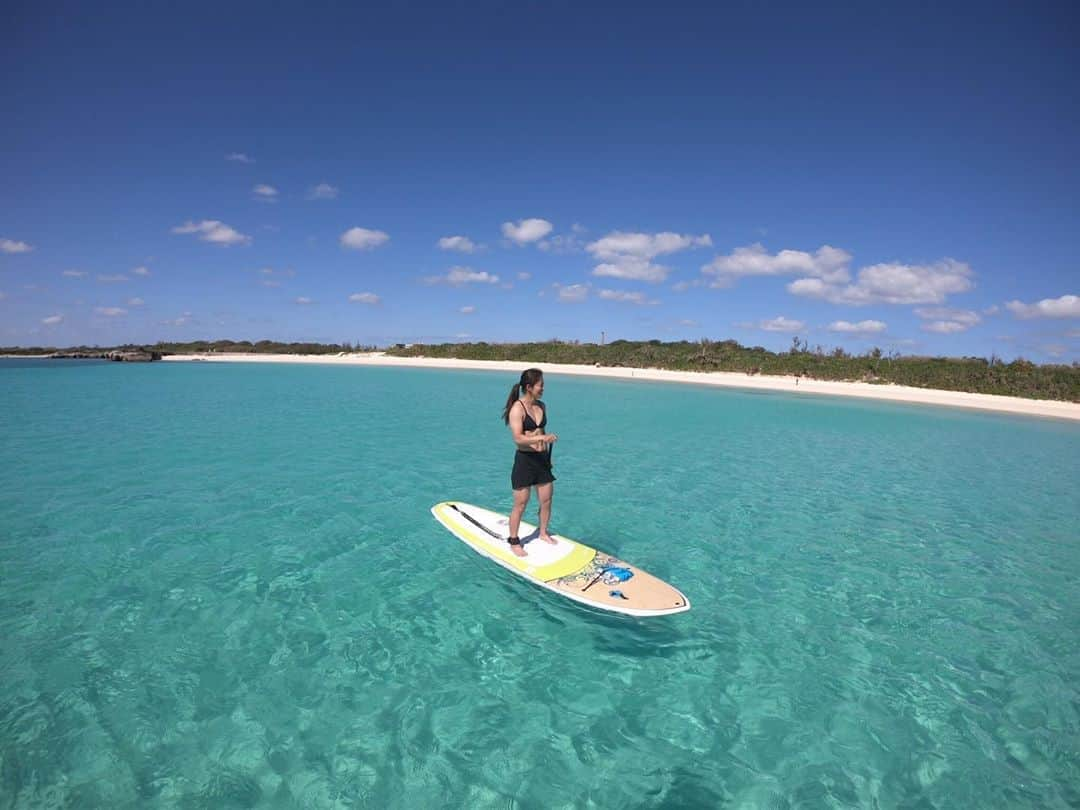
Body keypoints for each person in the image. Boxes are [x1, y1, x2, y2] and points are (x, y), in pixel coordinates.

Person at [501, 368, 558, 557]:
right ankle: (514, 540)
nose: (543, 388)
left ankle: (542, 533)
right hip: (524, 461)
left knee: (546, 500)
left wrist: (547, 452)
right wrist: (542, 439)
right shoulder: (517, 408)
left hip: (542, 461)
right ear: (529, 387)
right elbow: (518, 438)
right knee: (521, 504)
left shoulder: (542, 406)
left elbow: (540, 432)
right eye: (540, 385)